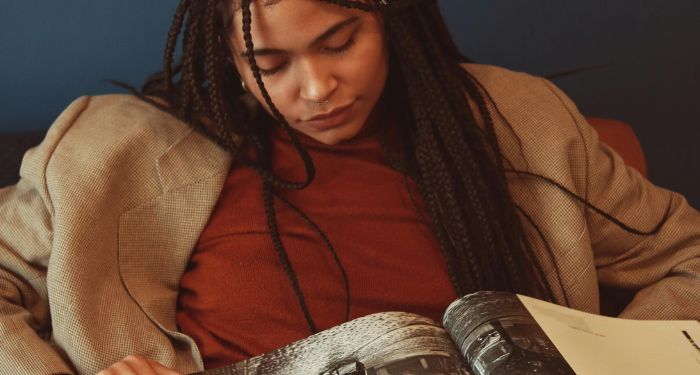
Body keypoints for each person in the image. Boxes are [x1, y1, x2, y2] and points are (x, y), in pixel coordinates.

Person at [0, 0, 698, 373]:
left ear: (391, 18)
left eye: (339, 42)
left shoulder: (521, 119)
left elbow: (687, 255)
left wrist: (602, 362)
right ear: (232, 63)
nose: (316, 88)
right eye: (270, 63)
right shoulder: (108, 149)